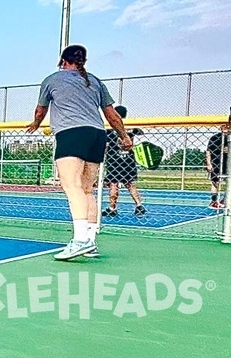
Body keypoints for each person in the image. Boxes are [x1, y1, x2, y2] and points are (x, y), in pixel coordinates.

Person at [26, 44, 131, 261]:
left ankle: (80, 240)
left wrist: (36, 123)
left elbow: (40, 110)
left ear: (63, 62)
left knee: (71, 186)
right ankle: (90, 242)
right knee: (86, 190)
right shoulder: (95, 81)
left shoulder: (52, 79)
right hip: (97, 135)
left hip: (72, 133)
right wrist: (124, 136)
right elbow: (111, 115)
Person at [102, 106, 145, 218]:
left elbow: (105, 144)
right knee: (130, 184)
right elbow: (140, 132)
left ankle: (112, 207)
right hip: (128, 161)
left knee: (113, 184)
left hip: (114, 161)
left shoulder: (109, 130)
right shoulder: (130, 129)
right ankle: (139, 204)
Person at [206, 122, 230, 210]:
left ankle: (226, 200)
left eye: (228, 127)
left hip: (228, 163)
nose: (226, 128)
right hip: (216, 162)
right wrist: (209, 164)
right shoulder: (215, 138)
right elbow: (208, 151)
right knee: (215, 182)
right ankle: (214, 201)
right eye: (224, 126)